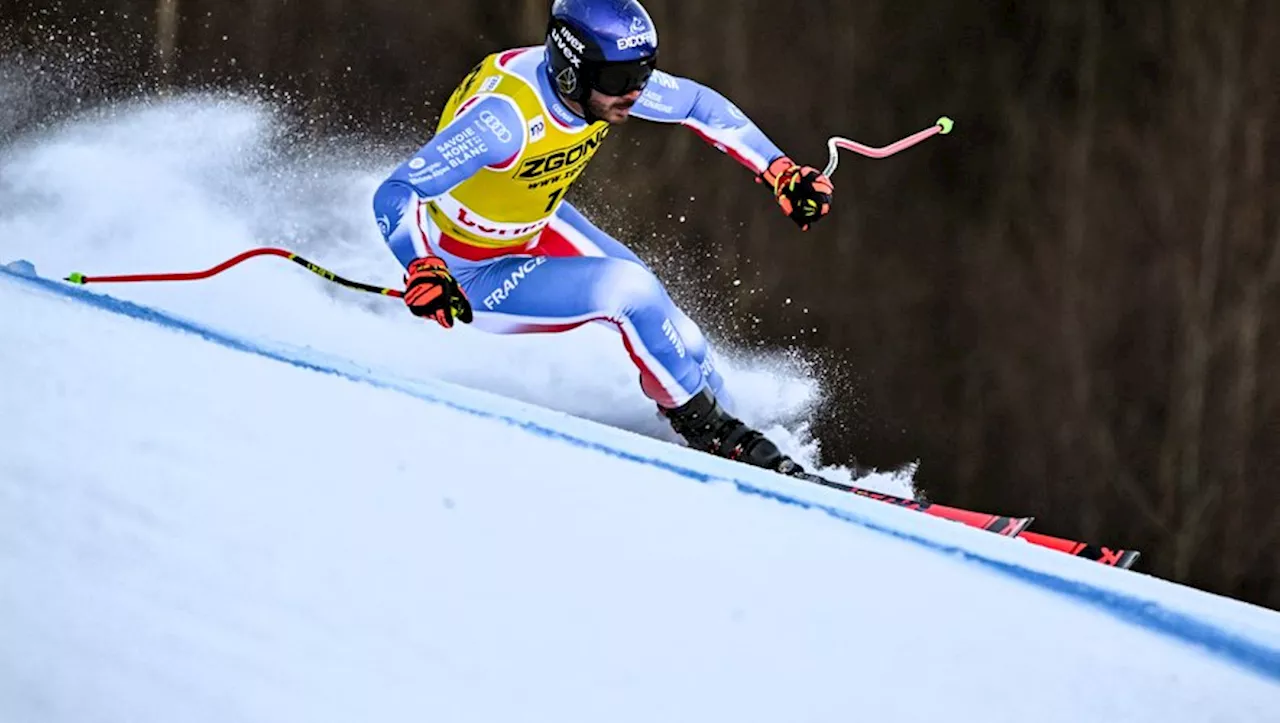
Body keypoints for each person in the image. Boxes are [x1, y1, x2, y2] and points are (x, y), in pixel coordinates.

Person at [372, 0, 835, 476]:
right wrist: (422, 265)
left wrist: (779, 170)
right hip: (471, 270)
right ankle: (713, 434)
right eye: (619, 81)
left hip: (537, 225)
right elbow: (397, 190)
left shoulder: (602, 81)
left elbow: (697, 104)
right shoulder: (502, 121)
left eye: (643, 74)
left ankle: (749, 441)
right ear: (571, 72)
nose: (635, 93)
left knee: (683, 339)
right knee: (629, 293)